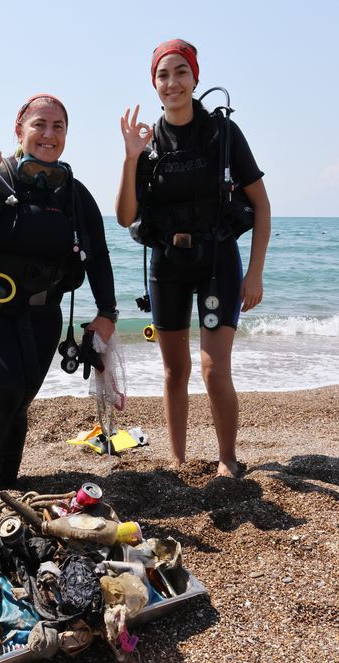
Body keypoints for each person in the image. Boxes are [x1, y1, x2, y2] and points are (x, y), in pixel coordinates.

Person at [0, 93, 117, 524]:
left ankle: (7, 483)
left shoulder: (74, 195)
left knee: (19, 399)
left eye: (58, 127)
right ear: (19, 129)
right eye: (39, 124)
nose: (48, 135)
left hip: (39, 314)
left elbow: (99, 254)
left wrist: (107, 312)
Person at [115, 39, 270, 478]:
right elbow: (126, 215)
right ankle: (178, 460)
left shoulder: (222, 134)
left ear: (195, 77)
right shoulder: (147, 146)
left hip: (218, 259)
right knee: (174, 369)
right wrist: (130, 159)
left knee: (213, 368)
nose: (173, 82)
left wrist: (255, 273)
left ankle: (228, 458)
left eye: (181, 72)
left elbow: (262, 204)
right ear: (154, 84)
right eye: (163, 75)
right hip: (167, 265)